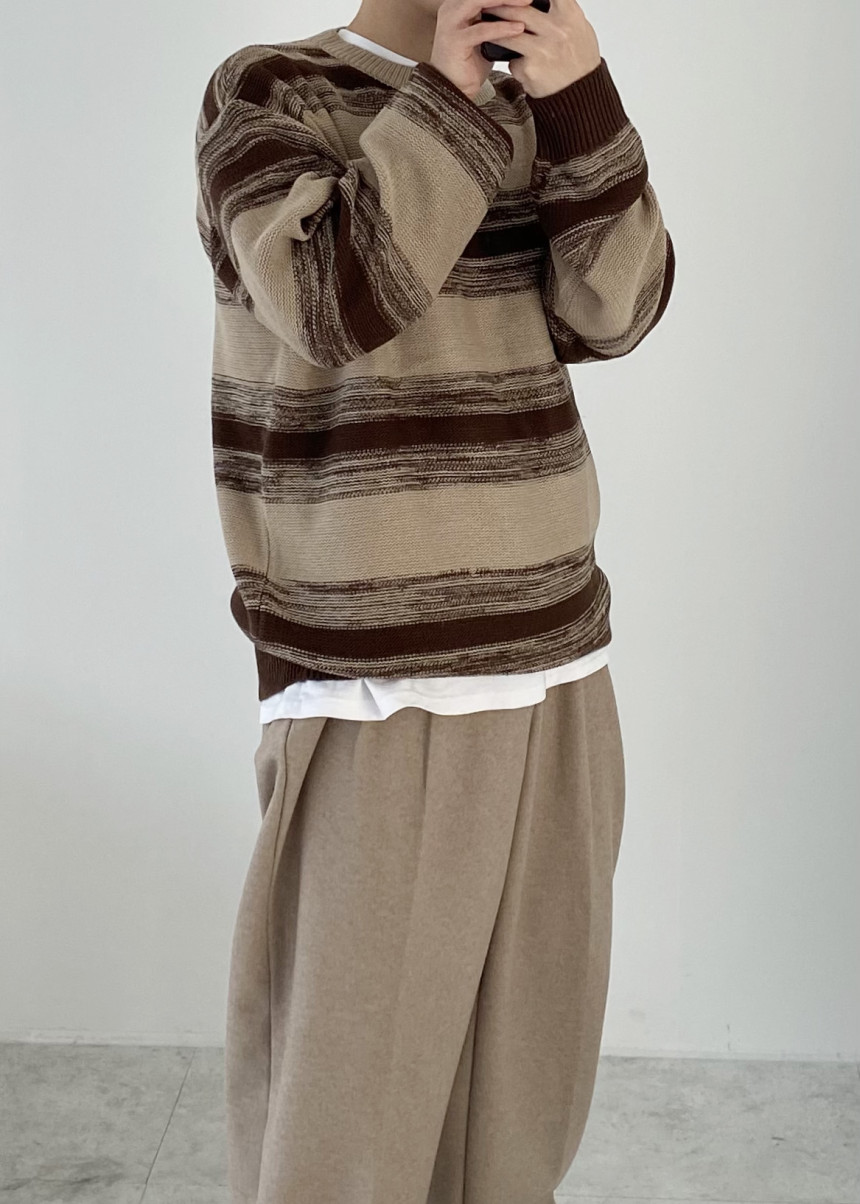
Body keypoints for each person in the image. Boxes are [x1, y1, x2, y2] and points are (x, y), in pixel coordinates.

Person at [193, 0, 675, 1199]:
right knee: (346, 1122)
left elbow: (617, 311)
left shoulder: (535, 100)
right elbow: (329, 302)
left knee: (520, 1098)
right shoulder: (267, 92)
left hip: (555, 646)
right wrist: (452, 100)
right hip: (372, 675)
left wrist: (580, 103)